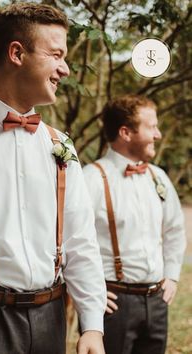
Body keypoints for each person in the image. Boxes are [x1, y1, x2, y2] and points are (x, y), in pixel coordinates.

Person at [0, 3, 106, 354]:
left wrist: (93, 326)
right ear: (16, 53)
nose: (65, 69)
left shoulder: (59, 144)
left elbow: (80, 241)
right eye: (56, 54)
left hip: (49, 319)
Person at [83, 95, 186, 354]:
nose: (158, 135)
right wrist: (84, 291)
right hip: (113, 305)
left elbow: (174, 229)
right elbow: (64, 237)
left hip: (157, 301)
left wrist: (171, 276)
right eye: (152, 127)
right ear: (126, 132)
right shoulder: (91, 179)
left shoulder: (157, 177)